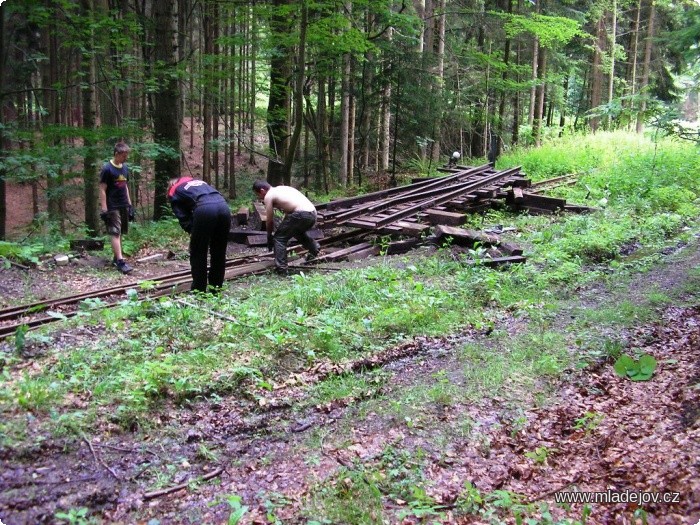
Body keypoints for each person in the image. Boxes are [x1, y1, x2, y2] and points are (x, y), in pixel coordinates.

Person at [168, 176, 232, 293]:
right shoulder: (200, 183)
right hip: (224, 207)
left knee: (198, 252)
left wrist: (193, 230)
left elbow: (182, 216)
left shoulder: (174, 189)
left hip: (204, 209)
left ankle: (199, 289)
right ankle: (216, 287)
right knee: (219, 251)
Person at [252, 180, 320, 275]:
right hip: (312, 214)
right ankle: (314, 249)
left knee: (279, 238)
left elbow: (269, 220)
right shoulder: (282, 189)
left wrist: (269, 235)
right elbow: (289, 213)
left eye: (258, 194)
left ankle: (281, 269)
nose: (259, 197)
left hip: (301, 213)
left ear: (262, 190)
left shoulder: (269, 196)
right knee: (296, 232)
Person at [99, 142, 134, 274]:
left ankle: (116, 257)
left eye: (126, 155)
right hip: (112, 205)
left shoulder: (125, 168)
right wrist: (104, 208)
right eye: (124, 155)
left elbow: (125, 186)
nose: (126, 158)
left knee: (121, 232)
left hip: (123, 204)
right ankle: (120, 262)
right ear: (116, 154)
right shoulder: (107, 169)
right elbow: (102, 189)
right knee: (115, 232)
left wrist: (130, 205)